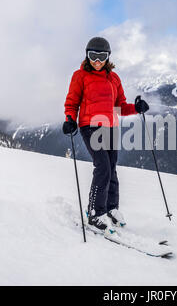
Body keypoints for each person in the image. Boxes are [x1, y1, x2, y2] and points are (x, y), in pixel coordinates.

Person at [63, 37, 149, 233]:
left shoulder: (114, 78)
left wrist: (136, 108)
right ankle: (95, 212)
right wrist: (70, 119)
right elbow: (72, 102)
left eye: (101, 56)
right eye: (93, 56)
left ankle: (111, 209)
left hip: (111, 127)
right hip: (90, 126)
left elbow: (119, 106)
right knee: (102, 167)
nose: (97, 61)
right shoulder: (80, 76)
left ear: (108, 57)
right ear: (87, 55)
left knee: (111, 168)